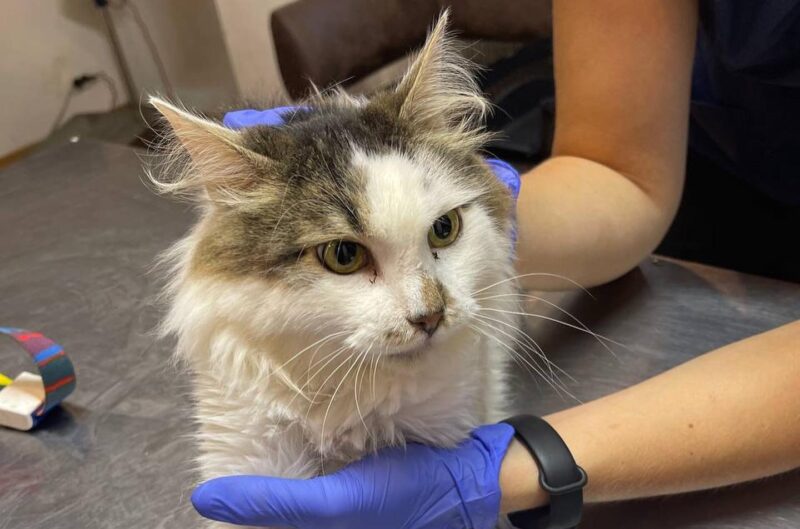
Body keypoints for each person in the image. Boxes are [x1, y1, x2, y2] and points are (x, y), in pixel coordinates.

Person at [190, 1, 800, 527]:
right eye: (345, 254)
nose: (427, 309)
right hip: (712, 171)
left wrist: (509, 472)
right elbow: (621, 172)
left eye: (444, 230)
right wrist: (476, 219)